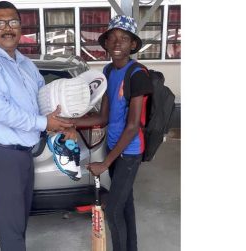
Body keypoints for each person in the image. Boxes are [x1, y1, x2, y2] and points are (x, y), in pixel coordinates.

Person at [0, 1, 72, 250]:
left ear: (21, 27)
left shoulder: (24, 63)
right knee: (11, 227)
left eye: (13, 22)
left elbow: (41, 98)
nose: (7, 28)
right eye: (0, 22)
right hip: (0, 153)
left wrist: (63, 120)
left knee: (18, 220)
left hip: (22, 153)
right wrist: (45, 122)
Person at [66, 15, 153, 251]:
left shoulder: (137, 74)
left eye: (124, 39)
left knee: (113, 210)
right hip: (115, 149)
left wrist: (105, 163)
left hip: (129, 152)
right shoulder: (107, 70)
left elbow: (133, 125)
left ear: (133, 45)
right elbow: (103, 117)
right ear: (105, 43)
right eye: (112, 38)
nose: (117, 43)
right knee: (124, 206)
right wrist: (69, 121)